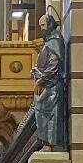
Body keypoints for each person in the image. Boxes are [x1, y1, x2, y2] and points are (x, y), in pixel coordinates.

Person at [31, 12, 68, 151]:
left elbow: (53, 66)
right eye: (40, 25)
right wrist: (35, 71)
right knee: (42, 115)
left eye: (43, 25)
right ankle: (46, 143)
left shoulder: (55, 41)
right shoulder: (49, 42)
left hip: (51, 87)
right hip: (46, 85)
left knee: (51, 115)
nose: (41, 28)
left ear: (51, 24)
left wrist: (40, 80)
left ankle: (51, 144)